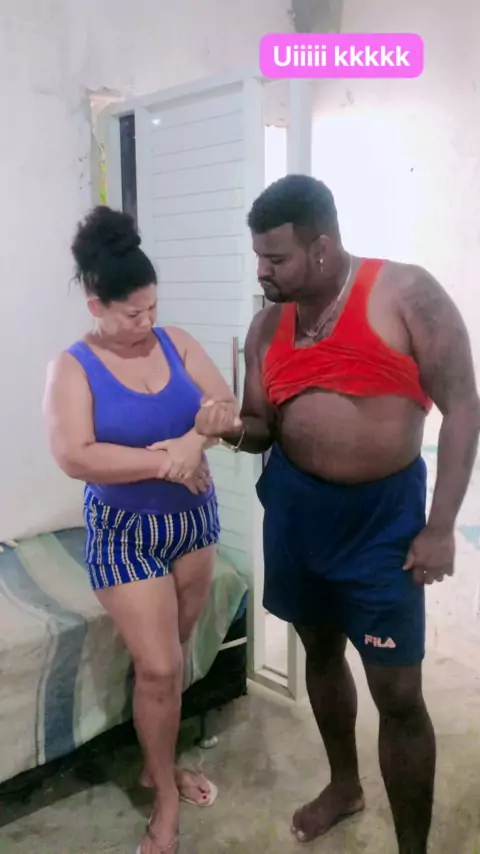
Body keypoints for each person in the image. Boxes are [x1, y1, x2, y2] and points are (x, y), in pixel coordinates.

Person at [194, 174, 480, 854]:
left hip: (384, 525)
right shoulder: (267, 327)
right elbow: (262, 425)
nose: (261, 271)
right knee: (319, 653)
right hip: (299, 517)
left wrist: (441, 526)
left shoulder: (404, 294)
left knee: (399, 693)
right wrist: (228, 429)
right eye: (258, 257)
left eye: (276, 258)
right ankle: (345, 786)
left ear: (321, 248)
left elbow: (465, 405)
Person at [43, 206, 238, 854]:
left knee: (171, 659)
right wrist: (166, 460)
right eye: (132, 314)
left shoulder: (176, 343)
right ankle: (163, 802)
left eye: (153, 307)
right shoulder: (73, 366)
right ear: (97, 306)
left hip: (194, 522)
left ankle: (161, 765)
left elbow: (225, 409)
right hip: (123, 530)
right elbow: (75, 455)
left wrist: (193, 440)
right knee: (158, 666)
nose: (147, 322)